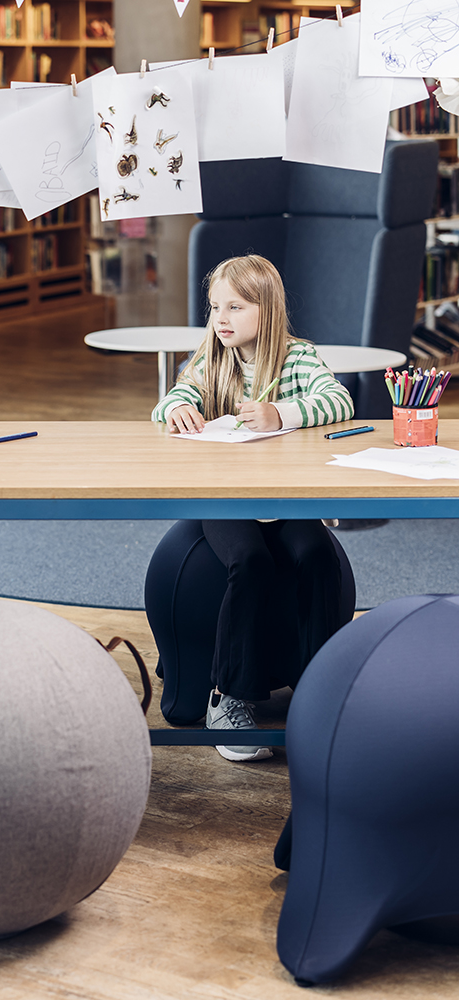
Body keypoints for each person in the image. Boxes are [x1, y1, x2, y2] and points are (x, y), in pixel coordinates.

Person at [151, 254, 354, 762]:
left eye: (235, 307)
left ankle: (322, 687)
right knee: (250, 560)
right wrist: (178, 406)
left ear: (268, 309)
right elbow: (167, 401)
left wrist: (280, 412)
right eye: (215, 307)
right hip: (226, 498)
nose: (220, 318)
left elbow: (339, 401)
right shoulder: (210, 359)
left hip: (284, 497)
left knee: (317, 555)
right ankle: (229, 697)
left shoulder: (298, 357)